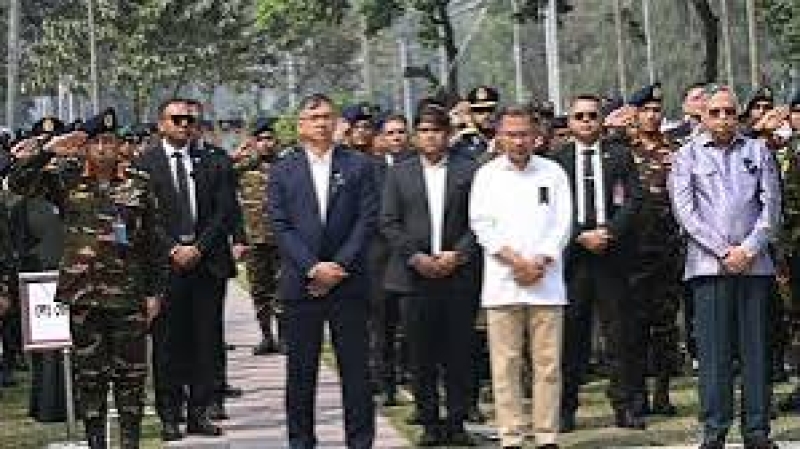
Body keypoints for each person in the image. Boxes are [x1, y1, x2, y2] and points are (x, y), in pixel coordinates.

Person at [8, 108, 166, 449]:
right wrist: (49, 150)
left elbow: (153, 241)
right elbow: (18, 182)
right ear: (85, 147)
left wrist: (155, 292)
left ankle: (130, 442)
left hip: (127, 296)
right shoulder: (66, 179)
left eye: (110, 141)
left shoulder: (139, 183)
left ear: (120, 144)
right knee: (90, 379)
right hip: (84, 296)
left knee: (131, 378)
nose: (104, 149)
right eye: (96, 142)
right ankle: (96, 443)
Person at [669, 85, 781, 449]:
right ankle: (715, 430)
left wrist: (747, 250)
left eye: (729, 112)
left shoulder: (758, 151)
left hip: (754, 266)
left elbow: (771, 208)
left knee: (756, 351)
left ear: (738, 115)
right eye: (715, 112)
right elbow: (685, 212)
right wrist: (722, 251)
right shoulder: (686, 156)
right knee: (714, 354)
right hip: (708, 267)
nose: (722, 119)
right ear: (702, 116)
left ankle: (757, 430)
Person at [267, 94, 378, 449]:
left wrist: (339, 266)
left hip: (349, 283)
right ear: (300, 125)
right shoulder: (283, 170)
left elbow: (367, 220)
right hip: (302, 285)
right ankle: (301, 441)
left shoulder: (358, 165)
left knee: (356, 373)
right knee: (301, 374)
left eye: (327, 116)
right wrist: (313, 267)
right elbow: (280, 225)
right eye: (313, 118)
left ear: (337, 123)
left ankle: (360, 441)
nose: (321, 123)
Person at [470, 106, 572, 449]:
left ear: (536, 136)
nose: (518, 141)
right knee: (505, 365)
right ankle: (511, 436)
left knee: (548, 365)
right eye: (511, 135)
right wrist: (515, 262)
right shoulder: (487, 175)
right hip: (503, 281)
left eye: (524, 134)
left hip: (547, 281)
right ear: (499, 137)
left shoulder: (553, 172)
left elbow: (562, 223)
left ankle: (546, 435)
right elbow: (481, 225)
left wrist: (539, 260)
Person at [135, 98, 237, 441]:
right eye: (176, 119)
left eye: (189, 120)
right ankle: (169, 414)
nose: (184, 125)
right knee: (168, 344)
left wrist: (199, 247)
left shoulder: (214, 161)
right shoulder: (144, 164)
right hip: (165, 267)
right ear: (161, 124)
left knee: (205, 342)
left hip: (206, 264)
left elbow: (224, 211)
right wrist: (173, 248)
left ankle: (199, 412)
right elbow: (144, 217)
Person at [381, 106, 480, 446]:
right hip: (415, 277)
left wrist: (458, 254)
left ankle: (457, 422)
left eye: (436, 130)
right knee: (420, 354)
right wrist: (415, 257)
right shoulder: (400, 173)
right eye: (423, 130)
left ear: (448, 134)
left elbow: (481, 219)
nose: (430, 137)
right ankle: (429, 422)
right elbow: (389, 222)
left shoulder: (468, 170)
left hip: (458, 274)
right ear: (415, 136)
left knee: (458, 352)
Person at [551, 94, 644, 432]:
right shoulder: (557, 160)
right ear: (569, 122)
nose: (587, 121)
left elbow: (634, 199)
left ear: (602, 120)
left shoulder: (619, 155)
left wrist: (610, 232)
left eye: (592, 115)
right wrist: (580, 235)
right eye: (580, 116)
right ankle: (565, 408)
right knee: (571, 338)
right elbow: (552, 208)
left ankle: (625, 405)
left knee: (619, 335)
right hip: (574, 260)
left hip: (611, 256)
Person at [626, 83, 683, 417]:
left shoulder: (675, 150)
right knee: (634, 326)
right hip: (634, 252)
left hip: (667, 249)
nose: (652, 115)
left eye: (656, 110)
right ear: (635, 114)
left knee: (665, 326)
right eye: (645, 110)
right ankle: (636, 394)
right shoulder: (623, 150)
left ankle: (662, 392)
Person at [231, 117, 284, 355]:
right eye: (260, 139)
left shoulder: (285, 166)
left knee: (282, 290)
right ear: (253, 142)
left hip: (281, 239)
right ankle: (266, 337)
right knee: (259, 291)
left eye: (269, 138)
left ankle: (284, 338)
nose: (265, 143)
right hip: (253, 240)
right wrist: (235, 156)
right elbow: (219, 177)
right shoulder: (243, 168)